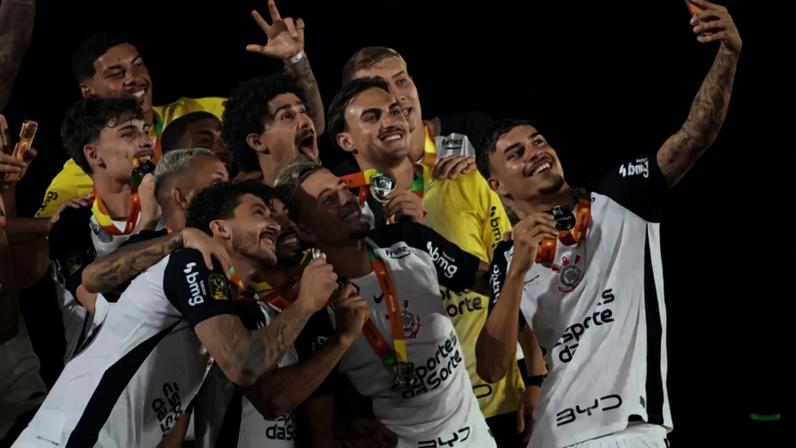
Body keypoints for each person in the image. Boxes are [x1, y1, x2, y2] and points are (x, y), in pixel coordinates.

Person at [475, 2, 741, 446]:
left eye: (537, 141)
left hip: (632, 430)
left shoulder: (622, 195)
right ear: (497, 184)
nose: (536, 151)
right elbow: (490, 366)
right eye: (516, 153)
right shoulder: (509, 254)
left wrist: (728, 54)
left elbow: (695, 134)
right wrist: (517, 271)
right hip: (554, 436)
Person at [11, 180, 334, 447]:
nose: (275, 224)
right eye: (259, 212)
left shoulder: (227, 304)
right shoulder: (192, 262)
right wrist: (306, 304)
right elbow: (244, 365)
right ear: (220, 228)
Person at [328, 76, 533, 444]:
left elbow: (513, 285)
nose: (390, 120)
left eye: (393, 110)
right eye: (372, 116)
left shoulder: (464, 180)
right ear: (346, 141)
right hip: (407, 421)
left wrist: (535, 375)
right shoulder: (344, 216)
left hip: (497, 399)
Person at [276, 158, 496, 447]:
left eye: (343, 189)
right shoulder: (315, 306)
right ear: (305, 232)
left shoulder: (408, 239)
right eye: (329, 200)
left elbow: (490, 282)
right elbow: (321, 427)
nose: (348, 201)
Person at [36, 0, 325, 218]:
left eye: (138, 64)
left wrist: (296, 60)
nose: (133, 77)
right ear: (88, 91)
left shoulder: (200, 112)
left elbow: (308, 125)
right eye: (115, 73)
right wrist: (59, 219)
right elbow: (38, 234)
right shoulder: (79, 171)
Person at [222, 73, 319, 186]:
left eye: (303, 112)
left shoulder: (341, 189)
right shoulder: (254, 202)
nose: (306, 121)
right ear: (257, 142)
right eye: (286, 116)